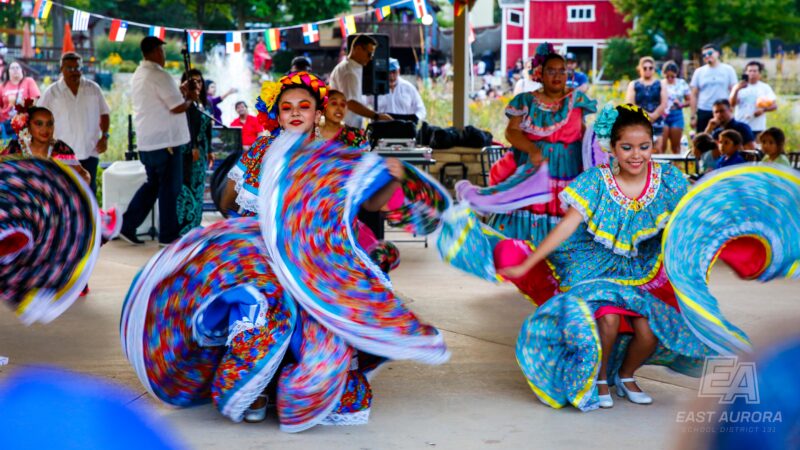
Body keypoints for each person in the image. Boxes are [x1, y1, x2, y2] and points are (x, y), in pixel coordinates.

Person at [220, 72, 407, 422]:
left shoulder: (335, 155)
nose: (295, 113)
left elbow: (371, 205)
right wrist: (246, 230)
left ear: (317, 113)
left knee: (321, 311)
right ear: (276, 115)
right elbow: (228, 199)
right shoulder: (261, 150)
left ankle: (313, 386)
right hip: (266, 253)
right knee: (258, 302)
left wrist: (392, 176)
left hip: (316, 254)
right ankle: (257, 387)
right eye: (286, 107)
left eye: (304, 106)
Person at [498, 104, 710, 410]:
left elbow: (690, 218)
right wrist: (531, 261)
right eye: (627, 147)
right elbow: (566, 226)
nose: (636, 155)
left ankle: (625, 375)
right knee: (608, 322)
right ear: (612, 147)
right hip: (592, 266)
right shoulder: (596, 181)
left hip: (641, 269)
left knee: (650, 332)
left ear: (654, 145)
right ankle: (598, 378)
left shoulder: (667, 180)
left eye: (644, 147)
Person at [489, 42, 597, 243]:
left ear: (568, 74)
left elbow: (582, 133)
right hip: (537, 165)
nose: (557, 76)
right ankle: (527, 261)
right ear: (540, 73)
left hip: (570, 167)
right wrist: (531, 149)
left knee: (568, 213)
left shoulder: (577, 100)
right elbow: (511, 132)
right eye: (551, 71)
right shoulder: (526, 101)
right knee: (530, 213)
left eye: (561, 71)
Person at [119, 36, 198, 247]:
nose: (163, 56)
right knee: (169, 189)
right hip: (166, 143)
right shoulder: (158, 74)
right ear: (154, 52)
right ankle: (168, 236)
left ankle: (127, 225)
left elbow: (164, 99)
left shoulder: (140, 73)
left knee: (153, 185)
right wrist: (190, 98)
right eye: (161, 52)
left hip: (148, 141)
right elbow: (176, 107)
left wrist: (181, 92)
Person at [37, 52, 110, 197]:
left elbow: (104, 113)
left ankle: (90, 220)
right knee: (65, 195)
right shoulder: (52, 93)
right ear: (61, 69)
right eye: (69, 68)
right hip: (63, 155)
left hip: (90, 151)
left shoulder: (93, 89)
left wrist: (105, 136)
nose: (74, 72)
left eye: (77, 68)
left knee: (89, 194)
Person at [1, 105, 90, 184]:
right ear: (28, 127)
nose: (45, 129)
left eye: (49, 124)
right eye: (39, 124)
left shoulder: (61, 149)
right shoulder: (16, 148)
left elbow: (83, 174)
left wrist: (74, 190)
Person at [177, 69, 213, 236]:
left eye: (199, 81)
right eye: (193, 81)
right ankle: (185, 225)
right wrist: (193, 147)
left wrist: (210, 150)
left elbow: (207, 129)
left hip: (202, 150)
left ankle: (196, 222)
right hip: (188, 150)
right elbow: (189, 126)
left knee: (198, 187)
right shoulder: (185, 103)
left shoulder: (205, 103)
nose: (197, 84)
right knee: (187, 185)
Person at [328, 34, 392, 129]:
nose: (371, 58)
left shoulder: (352, 68)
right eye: (369, 54)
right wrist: (377, 116)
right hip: (344, 129)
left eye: (372, 55)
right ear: (357, 49)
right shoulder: (349, 72)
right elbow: (350, 103)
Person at [690, 44, 737, 133]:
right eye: (704, 55)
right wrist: (693, 116)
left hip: (723, 110)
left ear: (717, 53)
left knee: (725, 138)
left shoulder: (728, 70)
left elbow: (733, 91)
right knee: (703, 140)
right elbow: (693, 94)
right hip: (704, 110)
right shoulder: (699, 72)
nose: (707, 56)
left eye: (710, 53)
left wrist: (731, 110)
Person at [626, 56, 668, 152]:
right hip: (639, 122)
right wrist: (646, 115)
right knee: (640, 150)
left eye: (650, 68)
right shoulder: (634, 84)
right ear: (639, 69)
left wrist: (653, 116)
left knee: (658, 149)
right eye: (644, 68)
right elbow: (630, 104)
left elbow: (664, 103)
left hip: (657, 121)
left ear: (654, 69)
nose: (647, 70)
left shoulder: (660, 84)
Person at [367, 58, 426, 124]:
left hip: (404, 129)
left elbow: (421, 109)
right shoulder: (375, 89)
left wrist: (415, 118)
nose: (391, 76)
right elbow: (362, 103)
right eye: (388, 73)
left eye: (394, 72)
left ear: (399, 71)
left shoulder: (409, 88)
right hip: (381, 129)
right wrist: (373, 115)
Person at [729, 61, 777, 135]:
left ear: (759, 73)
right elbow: (731, 104)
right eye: (750, 71)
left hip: (758, 127)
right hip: (741, 125)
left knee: (757, 146)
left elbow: (774, 106)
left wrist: (763, 110)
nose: (752, 73)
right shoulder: (738, 86)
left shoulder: (765, 87)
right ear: (746, 72)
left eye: (755, 71)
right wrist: (736, 90)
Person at [0, 61, 40, 139]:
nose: (15, 70)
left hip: (24, 122)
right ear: (8, 71)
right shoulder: (2, 86)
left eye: (17, 67)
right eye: (12, 68)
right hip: (6, 123)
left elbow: (35, 100)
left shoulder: (28, 81)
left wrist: (20, 104)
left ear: (22, 70)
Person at [661, 61, 692, 154]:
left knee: (676, 147)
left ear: (676, 74)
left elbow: (690, 100)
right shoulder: (660, 84)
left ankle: (676, 167)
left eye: (672, 76)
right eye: (667, 76)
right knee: (661, 146)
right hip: (663, 116)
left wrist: (681, 104)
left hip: (677, 115)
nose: (670, 79)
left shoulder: (681, 83)